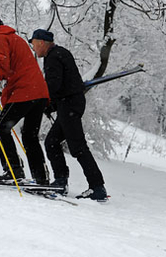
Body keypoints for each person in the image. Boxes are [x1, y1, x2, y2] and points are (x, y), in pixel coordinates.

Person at [0, 16, 50, 185]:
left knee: (0, 128)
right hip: (39, 93)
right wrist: (0, 92)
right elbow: (16, 71)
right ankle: (41, 177)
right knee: (29, 136)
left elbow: (1, 65)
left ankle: (13, 171)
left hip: (25, 93)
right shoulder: (14, 38)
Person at [29, 29, 108, 202]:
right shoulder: (60, 53)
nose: (33, 48)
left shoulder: (53, 57)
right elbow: (65, 83)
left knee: (78, 147)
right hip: (70, 104)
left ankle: (97, 188)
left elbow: (53, 85)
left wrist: (42, 102)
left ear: (41, 42)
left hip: (69, 105)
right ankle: (61, 180)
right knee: (51, 142)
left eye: (33, 44)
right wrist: (51, 105)